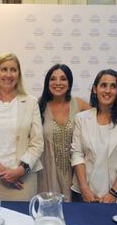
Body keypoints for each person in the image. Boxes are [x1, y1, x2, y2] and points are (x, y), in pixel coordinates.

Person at [0, 53, 44, 201]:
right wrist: (1, 171)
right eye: (4, 69)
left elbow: (37, 143)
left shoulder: (31, 102)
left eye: (13, 70)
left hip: (24, 180)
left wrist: (20, 170)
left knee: (22, 222)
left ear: (19, 74)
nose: (8, 74)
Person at [71, 69, 117, 203]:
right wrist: (84, 188)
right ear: (95, 89)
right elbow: (77, 154)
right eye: (103, 85)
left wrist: (113, 193)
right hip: (86, 193)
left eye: (113, 86)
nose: (107, 90)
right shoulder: (81, 118)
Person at [38, 64, 89, 201]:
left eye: (63, 79)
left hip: (74, 174)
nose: (58, 83)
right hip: (46, 174)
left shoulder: (80, 105)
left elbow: (105, 111)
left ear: (70, 82)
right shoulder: (38, 106)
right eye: (53, 79)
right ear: (47, 83)